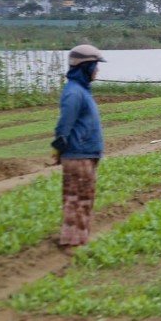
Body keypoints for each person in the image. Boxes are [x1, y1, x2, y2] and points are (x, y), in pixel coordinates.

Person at [51, 44, 107, 249]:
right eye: (95, 66)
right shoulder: (74, 93)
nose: (98, 71)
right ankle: (73, 241)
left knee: (85, 197)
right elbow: (64, 125)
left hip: (86, 154)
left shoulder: (82, 90)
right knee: (77, 199)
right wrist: (60, 148)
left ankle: (79, 239)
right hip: (78, 155)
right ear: (85, 67)